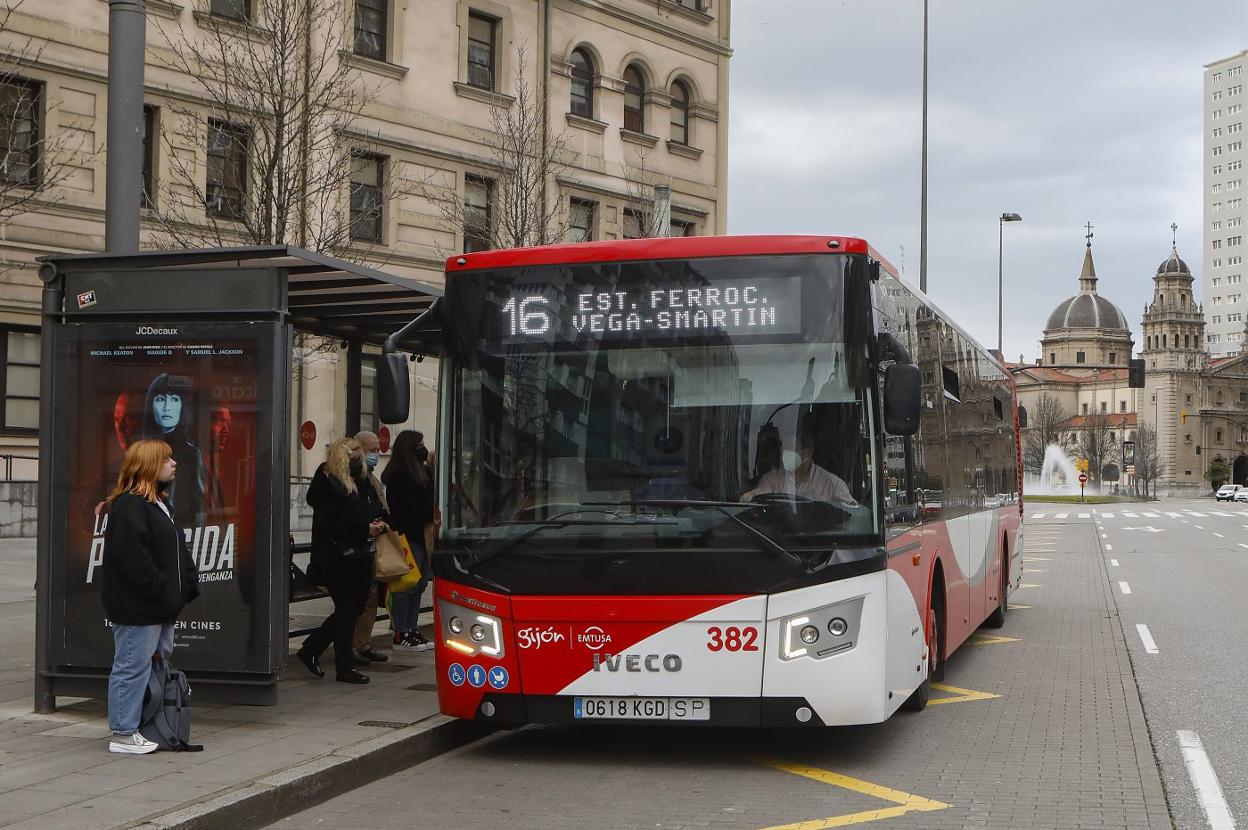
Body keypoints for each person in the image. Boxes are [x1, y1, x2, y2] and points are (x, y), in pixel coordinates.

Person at [101, 439, 200, 754]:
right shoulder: (129, 505)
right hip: (138, 607)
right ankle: (123, 733)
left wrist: (187, 585)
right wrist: (161, 587)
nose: (174, 464)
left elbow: (175, 549)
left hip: (159, 606)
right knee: (131, 666)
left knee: (149, 665)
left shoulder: (158, 503)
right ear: (148, 465)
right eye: (166, 459)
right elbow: (132, 558)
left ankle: (142, 727)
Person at [296, 437, 386, 684]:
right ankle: (343, 668)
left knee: (351, 610)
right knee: (348, 611)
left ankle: (312, 649)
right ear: (342, 457)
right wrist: (364, 528)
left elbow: (369, 508)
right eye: (355, 458)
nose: (360, 462)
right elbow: (337, 524)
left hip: (355, 557)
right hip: (338, 560)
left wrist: (373, 523)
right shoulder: (328, 485)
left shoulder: (356, 482)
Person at [381, 430, 435, 652]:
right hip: (409, 535)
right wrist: (429, 511)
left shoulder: (422, 472)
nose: (422, 448)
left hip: (422, 536)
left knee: (420, 584)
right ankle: (401, 631)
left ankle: (411, 628)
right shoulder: (399, 476)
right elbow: (408, 508)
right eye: (419, 444)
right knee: (407, 584)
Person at [742, 414, 856, 505]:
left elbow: (852, 513)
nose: (786, 454)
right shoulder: (772, 480)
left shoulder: (832, 484)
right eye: (785, 449)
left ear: (808, 452)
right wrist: (750, 496)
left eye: (791, 449)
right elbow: (758, 495)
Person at [142, 373, 208, 529]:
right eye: (159, 399)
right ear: (151, 405)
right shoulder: (141, 453)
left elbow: (200, 499)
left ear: (182, 405)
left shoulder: (192, 454)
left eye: (174, 399)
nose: (166, 407)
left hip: (184, 530)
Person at [351, 430, 390, 664]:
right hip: (358, 547)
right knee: (360, 599)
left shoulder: (372, 478)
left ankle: (362, 644)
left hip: (372, 545)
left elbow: (381, 507)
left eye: (378, 449)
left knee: (371, 597)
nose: (377, 454)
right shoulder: (357, 479)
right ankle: (352, 646)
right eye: (372, 450)